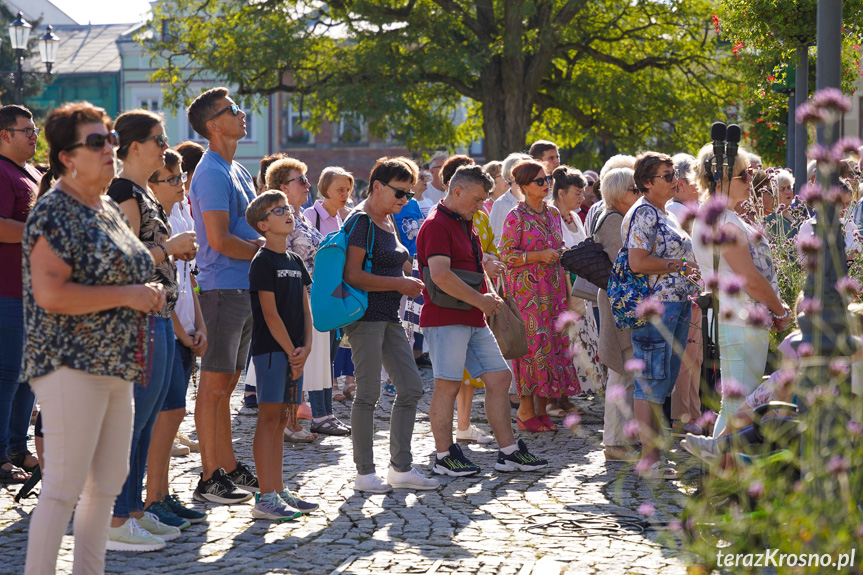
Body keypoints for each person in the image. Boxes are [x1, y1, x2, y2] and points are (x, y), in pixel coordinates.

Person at [23, 101, 164, 572]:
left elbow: (125, 271)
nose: (111, 149)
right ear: (67, 156)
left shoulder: (104, 205)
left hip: (116, 363)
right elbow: (50, 293)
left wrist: (148, 292)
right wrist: (129, 294)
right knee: (63, 487)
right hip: (69, 364)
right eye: (97, 142)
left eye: (111, 139)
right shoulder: (55, 210)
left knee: (106, 482)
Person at [107, 109, 199, 546]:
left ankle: (135, 511)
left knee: (145, 420)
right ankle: (117, 518)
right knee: (134, 420)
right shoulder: (124, 189)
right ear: (136, 146)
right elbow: (122, 260)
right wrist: (168, 249)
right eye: (159, 140)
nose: (167, 147)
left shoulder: (142, 191)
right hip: (137, 316)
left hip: (159, 313)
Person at [418, 164, 547, 474]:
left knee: (500, 377)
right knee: (447, 385)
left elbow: (460, 265)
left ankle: (508, 451)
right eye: (477, 199)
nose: (481, 206)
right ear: (457, 191)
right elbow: (440, 275)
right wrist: (481, 300)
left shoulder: (464, 220)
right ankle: (443, 455)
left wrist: (484, 268)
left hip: (472, 315)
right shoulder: (437, 224)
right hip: (447, 317)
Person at [343, 156, 440, 493]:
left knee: (411, 387)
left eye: (410, 195)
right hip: (365, 319)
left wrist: (404, 269)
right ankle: (364, 473)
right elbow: (352, 275)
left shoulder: (387, 220)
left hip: (389, 317)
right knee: (367, 394)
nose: (405, 201)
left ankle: (400, 468)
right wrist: (399, 283)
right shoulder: (361, 221)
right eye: (400, 193)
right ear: (377, 187)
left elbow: (383, 263)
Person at [187, 87, 260, 503]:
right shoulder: (212, 171)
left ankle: (228, 466)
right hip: (221, 289)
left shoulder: (238, 169)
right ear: (214, 124)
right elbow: (218, 239)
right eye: (234, 109)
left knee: (228, 384)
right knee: (213, 386)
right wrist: (266, 254)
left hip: (241, 287)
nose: (242, 112)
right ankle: (208, 477)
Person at [692, 144, 791, 439]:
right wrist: (781, 310)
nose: (752, 180)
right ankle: (719, 473)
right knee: (740, 406)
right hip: (741, 320)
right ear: (723, 179)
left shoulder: (717, 216)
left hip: (737, 318)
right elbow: (749, 278)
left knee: (735, 404)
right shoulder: (724, 221)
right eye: (746, 175)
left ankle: (719, 471)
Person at [623, 152, 699, 478]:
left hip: (677, 303)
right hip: (655, 306)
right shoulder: (643, 214)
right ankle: (649, 459)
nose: (675, 181)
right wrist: (679, 265)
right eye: (667, 176)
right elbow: (637, 262)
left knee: (663, 380)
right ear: (646, 183)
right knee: (651, 382)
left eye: (674, 175)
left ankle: (656, 453)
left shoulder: (664, 212)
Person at [144, 148, 208, 527]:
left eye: (181, 176)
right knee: (162, 418)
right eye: (172, 179)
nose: (181, 183)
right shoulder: (154, 224)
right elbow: (156, 285)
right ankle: (153, 497)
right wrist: (184, 333)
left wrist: (199, 323)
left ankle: (163, 493)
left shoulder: (180, 213)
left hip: (185, 326)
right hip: (168, 329)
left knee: (174, 414)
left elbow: (188, 279)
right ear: (152, 183)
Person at [246, 190, 319, 519]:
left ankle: (278, 488)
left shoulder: (295, 261)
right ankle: (265, 496)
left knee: (283, 422)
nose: (288, 213)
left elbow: (305, 308)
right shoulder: (262, 261)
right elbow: (270, 314)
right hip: (273, 353)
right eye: (278, 211)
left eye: (287, 209)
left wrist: (307, 347)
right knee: (269, 419)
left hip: (294, 354)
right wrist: (291, 351)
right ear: (263, 224)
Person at [267, 158, 349, 438]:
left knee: (318, 361)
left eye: (306, 179)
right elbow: (279, 258)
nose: (307, 184)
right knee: (298, 359)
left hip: (317, 298)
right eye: (299, 180)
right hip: (296, 297)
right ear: (282, 187)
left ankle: (312, 416)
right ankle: (290, 424)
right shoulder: (280, 216)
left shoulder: (300, 216)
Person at [499, 160, 578, 432]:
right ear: (523, 187)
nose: (546, 185)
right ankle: (525, 411)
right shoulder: (515, 216)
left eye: (547, 180)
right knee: (531, 353)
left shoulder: (553, 213)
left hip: (553, 292)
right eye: (539, 181)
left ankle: (542, 410)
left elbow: (557, 244)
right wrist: (537, 256)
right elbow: (506, 256)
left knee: (552, 350)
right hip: (527, 295)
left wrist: (561, 253)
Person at [0, 105, 42, 484]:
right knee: (8, 375)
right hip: (7, 291)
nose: (34, 135)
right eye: (26, 130)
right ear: (4, 135)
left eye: (35, 129)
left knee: (30, 376)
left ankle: (18, 447)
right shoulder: (0, 170)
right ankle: (0, 456)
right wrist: (39, 234)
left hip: (34, 293)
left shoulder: (31, 170)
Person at [593, 167, 641, 461]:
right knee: (619, 373)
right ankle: (612, 442)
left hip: (623, 301)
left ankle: (623, 437)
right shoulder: (613, 221)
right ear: (618, 194)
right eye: (633, 190)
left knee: (627, 374)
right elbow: (626, 264)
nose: (638, 194)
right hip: (618, 303)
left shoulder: (621, 218)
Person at [551, 166, 603, 404]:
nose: (582, 197)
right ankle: (557, 398)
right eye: (577, 192)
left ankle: (570, 394)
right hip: (560, 289)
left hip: (579, 288)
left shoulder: (574, 217)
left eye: (583, 192)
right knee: (564, 342)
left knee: (579, 342)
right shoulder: (551, 214)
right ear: (561, 192)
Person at [307, 167, 355, 401]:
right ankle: (315, 402)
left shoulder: (342, 219)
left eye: (348, 189)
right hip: (318, 292)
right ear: (325, 189)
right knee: (319, 350)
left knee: (332, 347)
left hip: (337, 291)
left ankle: (324, 401)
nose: (345, 194)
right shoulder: (311, 216)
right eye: (340, 189)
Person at [667, 153, 703, 435]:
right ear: (680, 183)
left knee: (696, 356)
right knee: (686, 356)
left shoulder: (693, 208)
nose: (699, 186)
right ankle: (682, 416)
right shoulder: (675, 211)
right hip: (683, 291)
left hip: (696, 289)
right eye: (694, 181)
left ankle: (695, 411)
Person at [489, 152, 531, 246]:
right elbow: (495, 240)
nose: (531, 175)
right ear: (511, 176)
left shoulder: (541, 202)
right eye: (525, 171)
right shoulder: (501, 204)